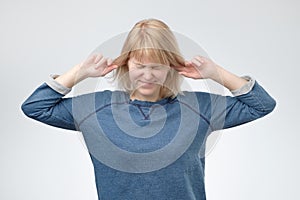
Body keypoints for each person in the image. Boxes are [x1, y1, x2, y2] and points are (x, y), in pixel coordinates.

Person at [21, 19, 276, 200]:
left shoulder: (199, 107)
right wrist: (80, 72)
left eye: (157, 66)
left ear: (171, 67)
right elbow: (35, 107)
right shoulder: (96, 108)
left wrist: (216, 73)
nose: (148, 75)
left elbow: (261, 105)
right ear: (125, 64)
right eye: (140, 65)